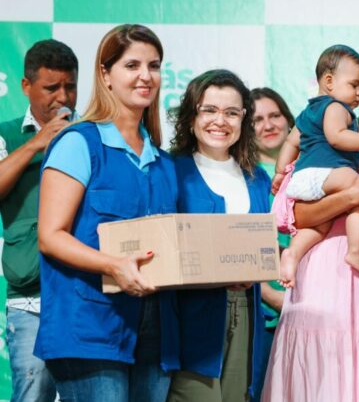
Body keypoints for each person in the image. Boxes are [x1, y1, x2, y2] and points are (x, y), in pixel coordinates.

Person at [262, 26, 359, 402]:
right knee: (318, 381)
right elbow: (296, 214)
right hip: (322, 274)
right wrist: (353, 195)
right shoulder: (326, 138)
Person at [34, 24, 179, 401]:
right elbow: (51, 237)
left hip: (154, 336)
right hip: (88, 332)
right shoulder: (79, 143)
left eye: (154, 65)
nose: (146, 76)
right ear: (105, 74)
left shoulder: (163, 162)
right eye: (132, 65)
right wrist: (113, 265)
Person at [166, 69, 269, 402]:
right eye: (209, 110)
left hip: (248, 313)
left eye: (231, 113)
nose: (219, 121)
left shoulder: (258, 178)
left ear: (243, 120)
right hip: (189, 320)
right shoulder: (170, 171)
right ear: (191, 115)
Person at [0, 38, 77, 402]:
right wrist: (35, 144)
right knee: (32, 394)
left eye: (70, 86)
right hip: (30, 298)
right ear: (26, 87)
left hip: (86, 294)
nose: (62, 97)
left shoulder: (91, 132)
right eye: (51, 87)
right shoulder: (7, 133)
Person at [277, 44, 359, 287]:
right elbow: (337, 137)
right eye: (354, 85)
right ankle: (355, 251)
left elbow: (290, 141)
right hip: (325, 173)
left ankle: (292, 253)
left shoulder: (308, 112)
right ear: (329, 81)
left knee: (320, 226)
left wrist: (280, 172)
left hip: (305, 179)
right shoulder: (337, 108)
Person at [250, 87, 294, 400]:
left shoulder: (314, 171)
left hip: (311, 313)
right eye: (257, 120)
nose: (268, 125)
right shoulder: (246, 179)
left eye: (275, 115)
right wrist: (269, 295)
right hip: (265, 316)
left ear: (290, 121)